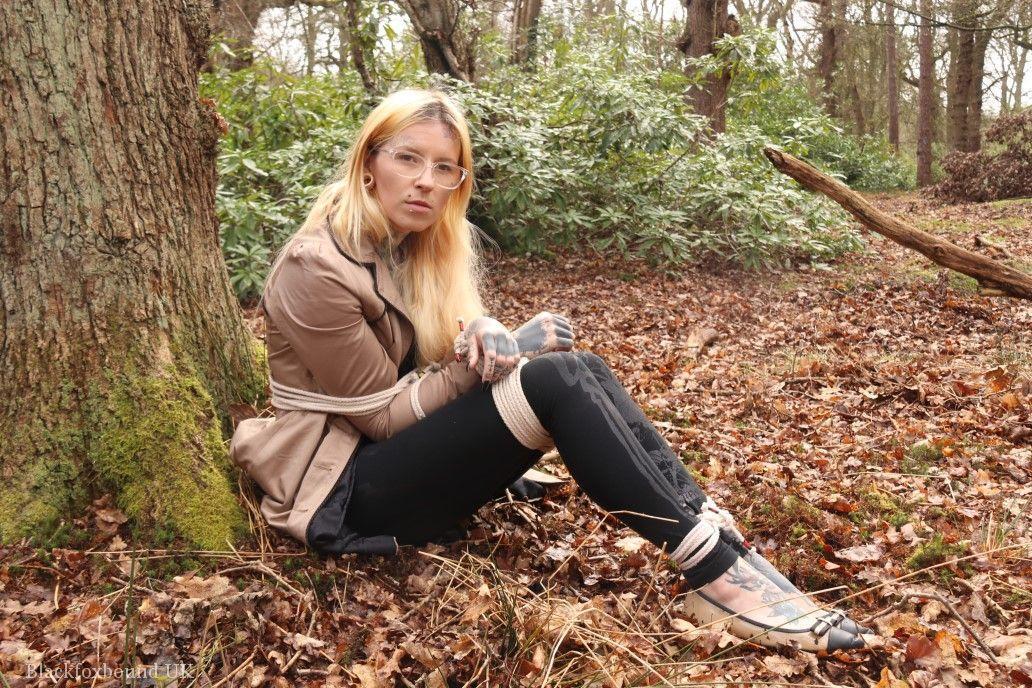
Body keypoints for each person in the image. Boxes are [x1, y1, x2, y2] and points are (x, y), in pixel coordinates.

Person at [230, 88, 876, 652]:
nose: (426, 180)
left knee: (579, 365)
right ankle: (715, 575)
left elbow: (429, 360)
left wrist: (480, 332)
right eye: (407, 158)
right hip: (343, 494)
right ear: (369, 164)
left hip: (391, 470)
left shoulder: (415, 249)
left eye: (445, 167)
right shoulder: (316, 268)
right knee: (554, 379)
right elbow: (378, 417)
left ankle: (718, 540)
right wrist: (494, 351)